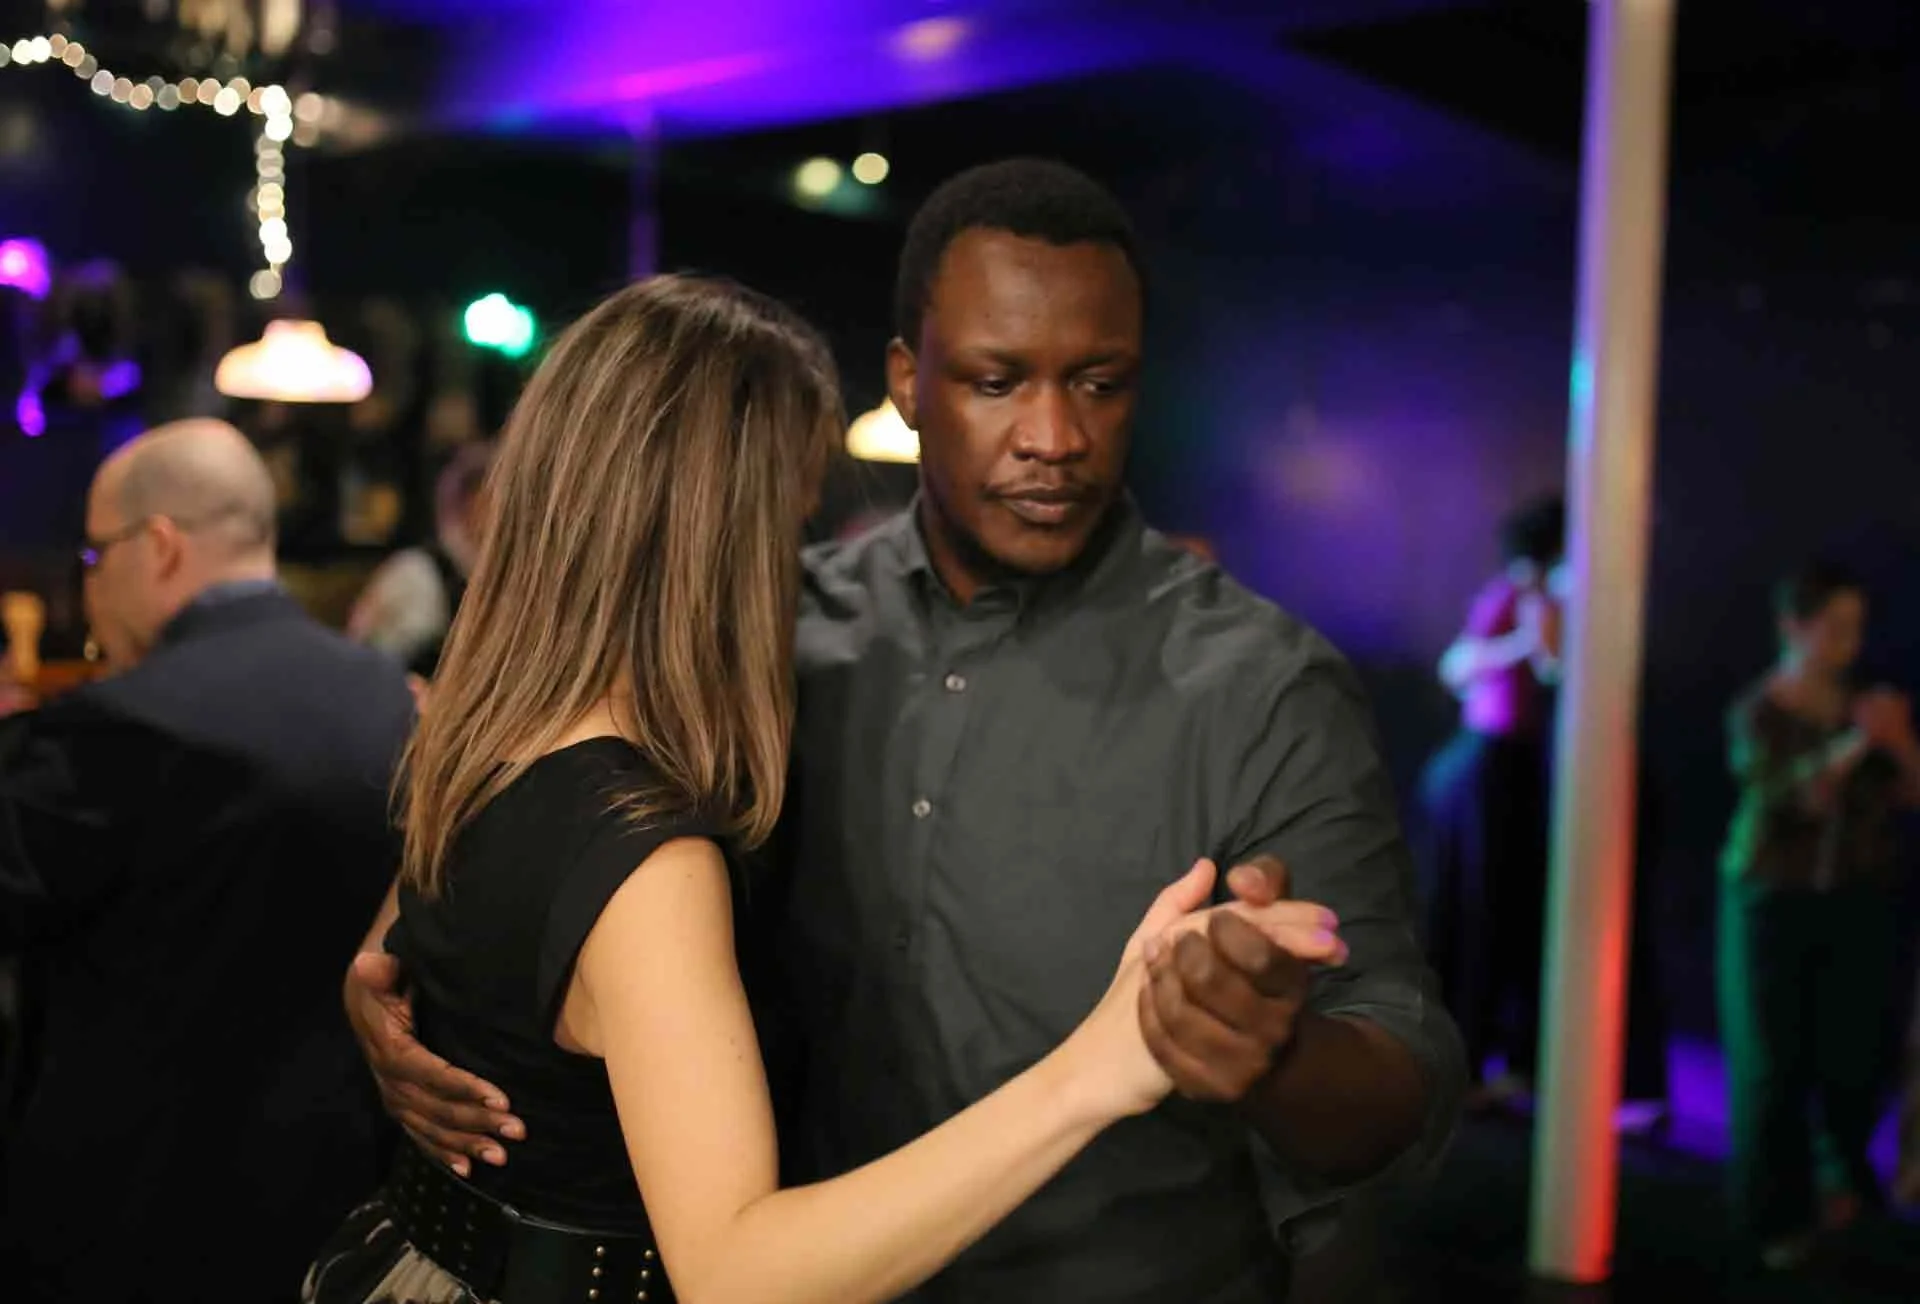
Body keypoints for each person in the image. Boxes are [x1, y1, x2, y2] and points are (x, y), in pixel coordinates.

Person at [347, 160, 1463, 1300]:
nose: (1052, 435)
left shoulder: (1262, 686)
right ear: (908, 382)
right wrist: (403, 961)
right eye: (995, 380)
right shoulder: (766, 630)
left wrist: (1270, 1046)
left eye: (1098, 382)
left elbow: (1400, 1073)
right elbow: (555, 808)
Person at [0, 419, 416, 1303]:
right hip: (342, 1211)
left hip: (122, 1223)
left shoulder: (119, 727)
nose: (88, 585)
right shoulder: (403, 707)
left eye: (93, 555)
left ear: (156, 546)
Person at [1718, 559, 1920, 1272]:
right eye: (1834, 628)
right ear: (1793, 628)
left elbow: (1910, 794)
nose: (1848, 644)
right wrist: (1858, 743)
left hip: (1857, 903)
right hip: (1772, 902)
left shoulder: (1869, 702)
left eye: (1855, 629)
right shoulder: (1759, 711)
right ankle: (1775, 1220)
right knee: (1773, 1065)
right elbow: (1788, 800)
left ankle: (1845, 1192)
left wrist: (1895, 742)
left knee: (1854, 1053)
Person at [1417, 497, 1563, 1104]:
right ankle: (1464, 1062)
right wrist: (1527, 642)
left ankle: (1497, 1061)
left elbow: (1553, 668)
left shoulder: (1542, 598)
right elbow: (1459, 667)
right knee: (1477, 913)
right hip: (1488, 765)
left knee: (1510, 915)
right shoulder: (1515, 594)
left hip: (1516, 767)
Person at [348, 440, 494, 679]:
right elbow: (367, 660)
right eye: (493, 498)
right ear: (471, 502)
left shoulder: (504, 578)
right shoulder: (415, 573)